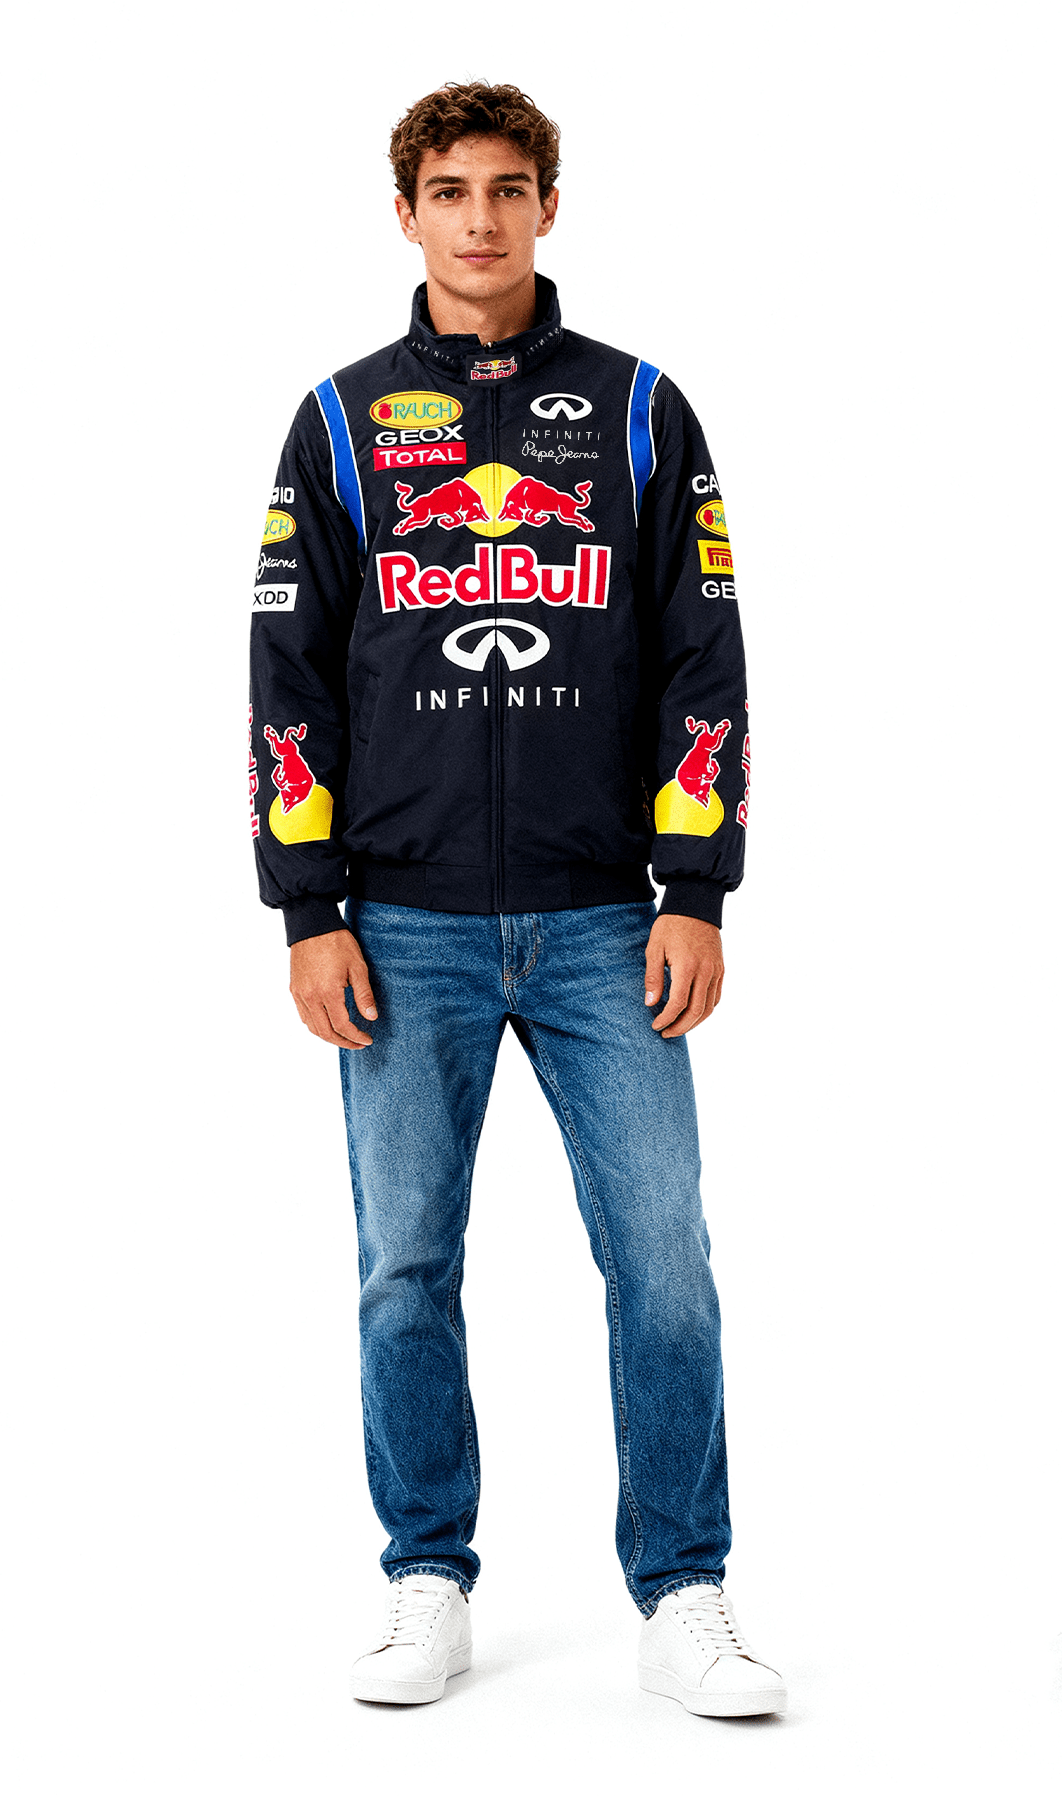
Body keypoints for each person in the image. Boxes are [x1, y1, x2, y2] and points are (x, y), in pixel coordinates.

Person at [249, 80, 785, 1718]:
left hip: (607, 919)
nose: (479, 219)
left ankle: (683, 1590)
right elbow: (289, 672)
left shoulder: (640, 412)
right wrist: (309, 908)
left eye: (507, 188)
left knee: (664, 1259)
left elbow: (703, 654)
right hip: (399, 924)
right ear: (404, 213)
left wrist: (695, 888)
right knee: (404, 1266)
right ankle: (427, 1576)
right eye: (449, 190)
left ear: (550, 206)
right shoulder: (341, 421)